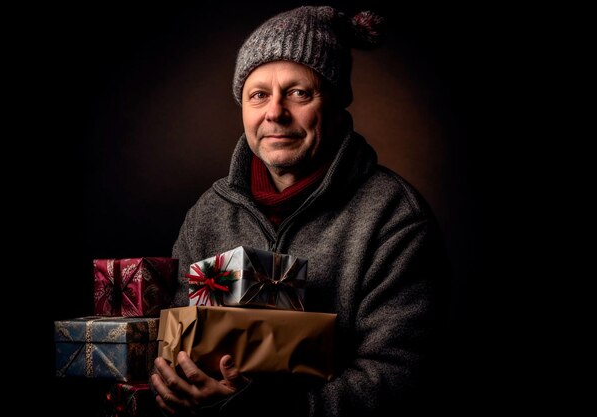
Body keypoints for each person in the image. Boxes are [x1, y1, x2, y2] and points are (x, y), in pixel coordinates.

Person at [150, 5, 450, 416]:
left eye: (298, 93)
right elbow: (176, 339)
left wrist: (263, 413)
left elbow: (403, 376)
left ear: (336, 103)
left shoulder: (393, 216)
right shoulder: (208, 212)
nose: (275, 112)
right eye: (258, 95)